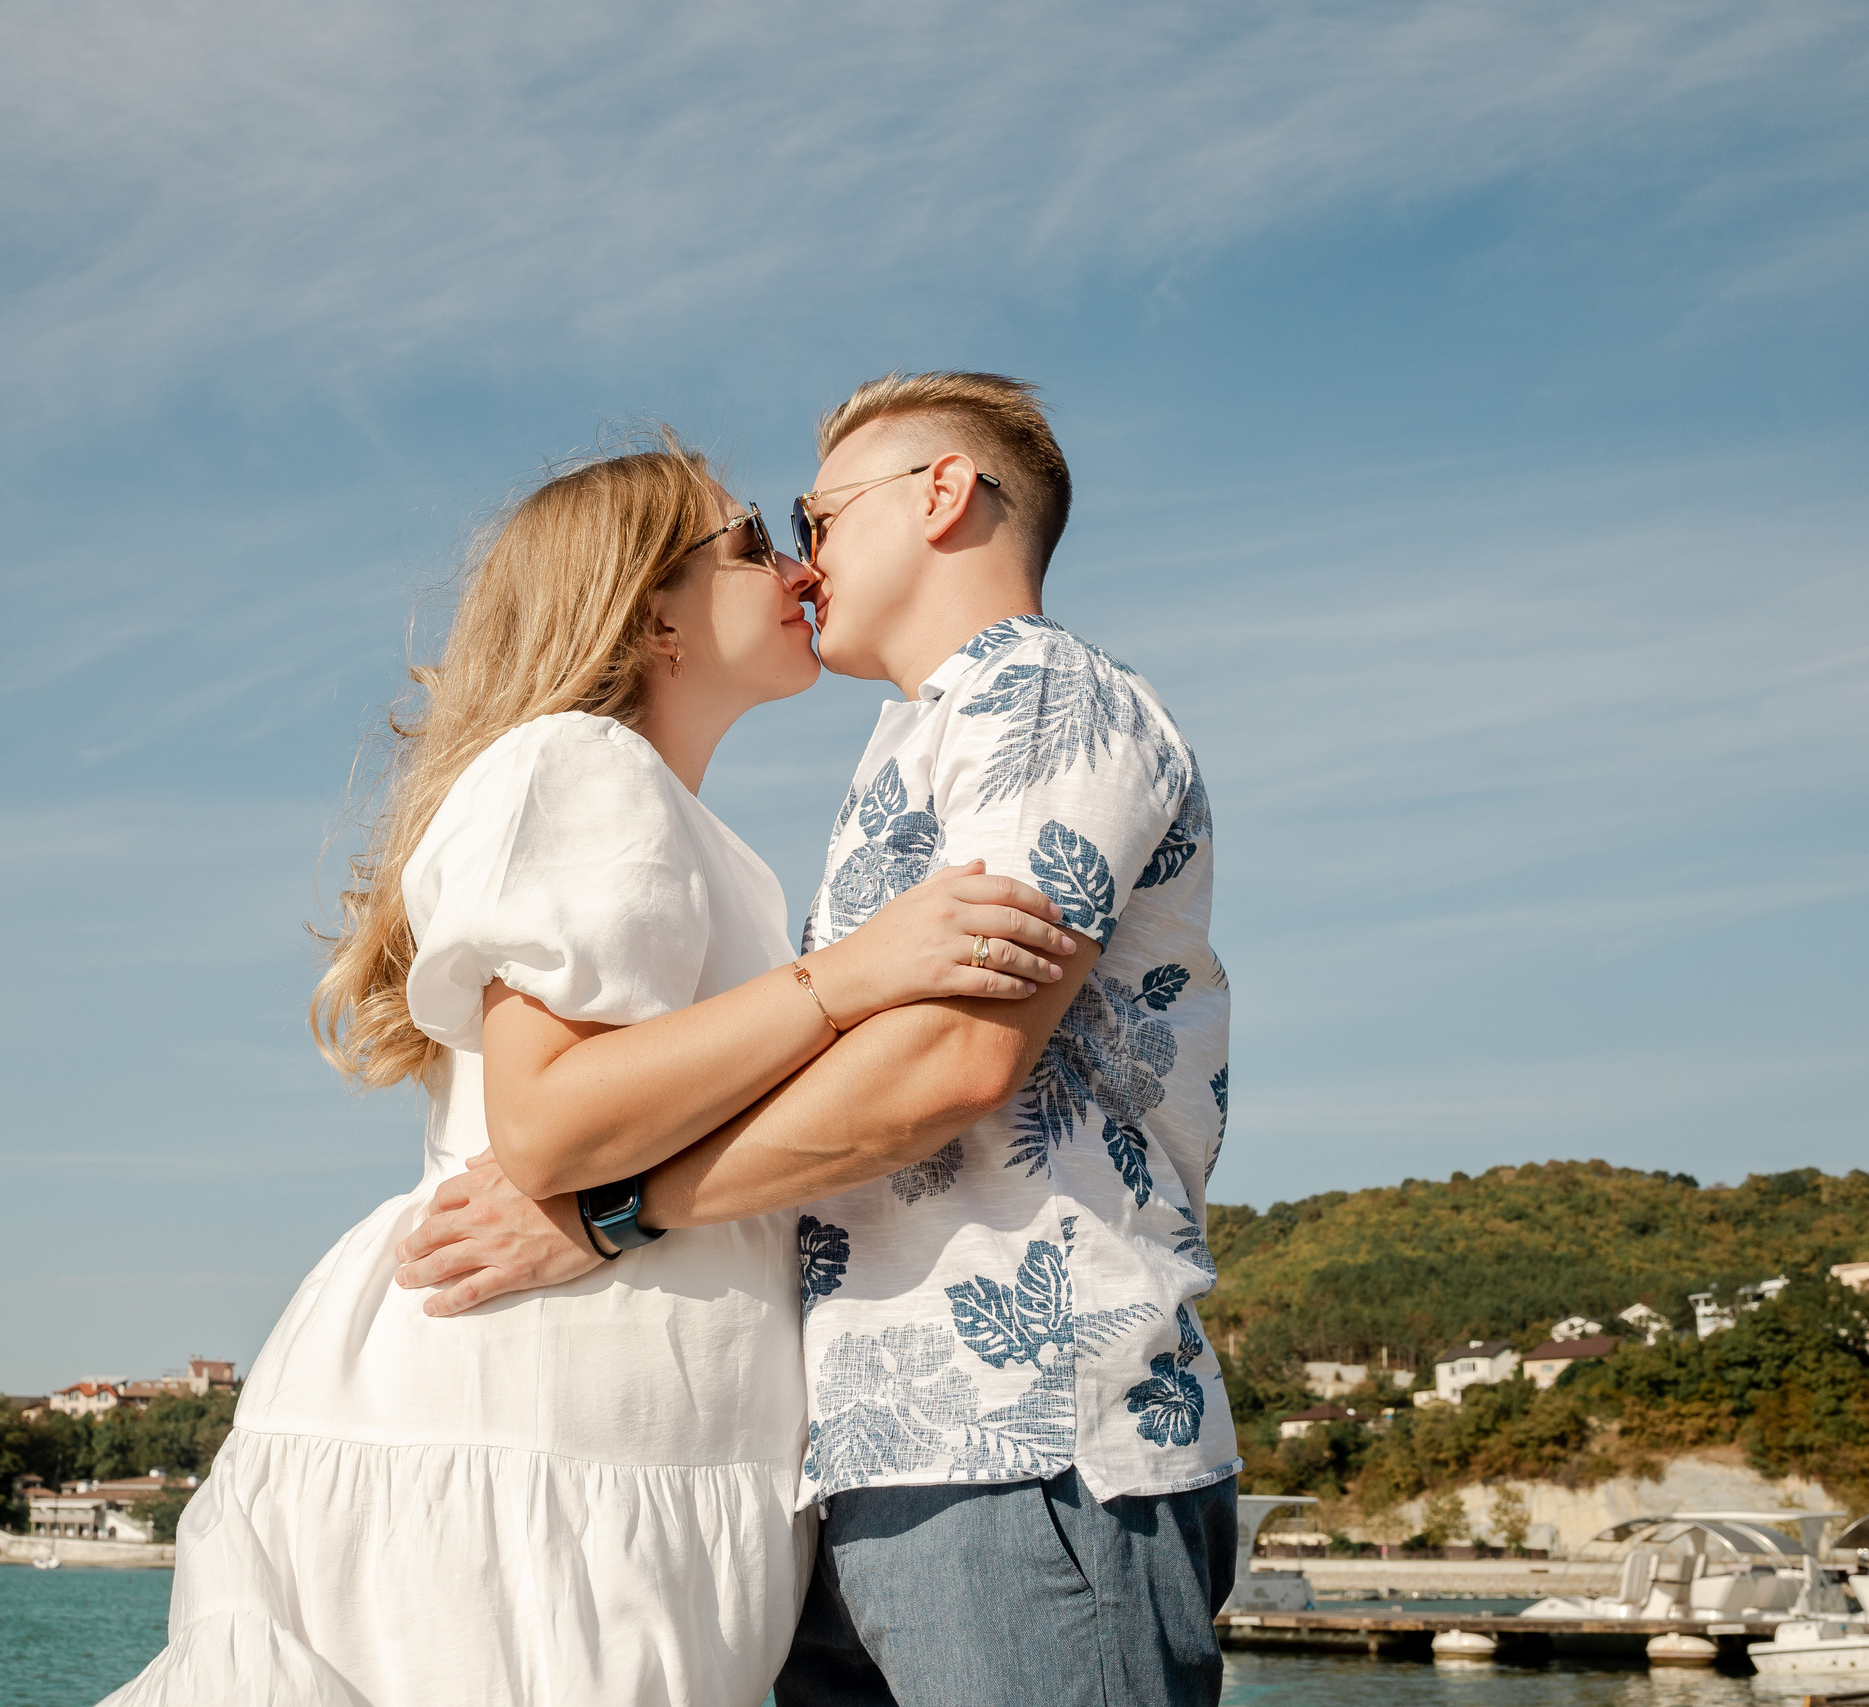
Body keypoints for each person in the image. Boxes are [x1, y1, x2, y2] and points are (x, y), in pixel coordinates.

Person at [102, 432, 1076, 1707]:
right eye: (753, 542)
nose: (800, 566)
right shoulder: (582, 764)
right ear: (652, 613)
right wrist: (848, 976)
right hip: (537, 1425)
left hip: (609, 1425)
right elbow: (550, 1124)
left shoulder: (693, 832)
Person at [401, 375, 1241, 1707]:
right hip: (881, 1444)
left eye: (818, 516)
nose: (803, 560)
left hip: (1024, 1430)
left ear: (943, 493)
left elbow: (950, 1062)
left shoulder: (1035, 695)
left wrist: (617, 1210)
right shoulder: (922, 737)